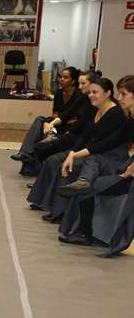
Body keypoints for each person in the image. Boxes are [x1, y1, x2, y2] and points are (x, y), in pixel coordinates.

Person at [27, 77, 128, 220]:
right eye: (90, 92)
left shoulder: (115, 113)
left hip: (103, 155)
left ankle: (60, 212)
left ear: (107, 93)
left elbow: (102, 144)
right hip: (89, 150)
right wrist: (72, 152)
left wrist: (74, 155)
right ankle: (43, 201)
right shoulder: (94, 109)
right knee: (53, 160)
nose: (90, 95)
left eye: (95, 92)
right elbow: (84, 135)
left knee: (67, 168)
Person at [18, 71, 95, 177]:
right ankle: (29, 159)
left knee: (44, 144)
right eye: (80, 83)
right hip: (70, 127)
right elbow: (65, 115)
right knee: (41, 125)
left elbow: (82, 124)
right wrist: (51, 123)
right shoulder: (77, 97)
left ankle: (29, 158)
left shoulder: (87, 99)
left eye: (83, 83)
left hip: (77, 132)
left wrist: (67, 130)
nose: (80, 86)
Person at [10, 66, 80, 162]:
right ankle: (25, 153)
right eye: (61, 77)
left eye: (65, 77)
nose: (61, 79)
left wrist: (58, 120)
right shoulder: (59, 93)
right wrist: (51, 122)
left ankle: (32, 153)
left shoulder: (79, 95)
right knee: (40, 120)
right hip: (58, 122)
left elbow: (77, 118)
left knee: (44, 126)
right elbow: (55, 113)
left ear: (73, 81)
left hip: (71, 126)